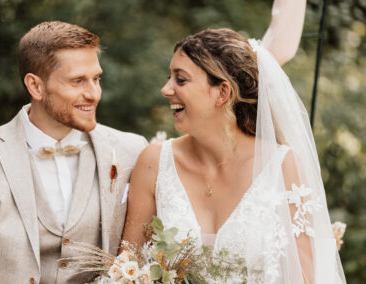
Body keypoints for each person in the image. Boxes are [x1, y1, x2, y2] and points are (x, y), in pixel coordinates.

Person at [122, 1, 346, 283]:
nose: (166, 89)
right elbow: (127, 268)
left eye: (181, 79)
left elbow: (307, 277)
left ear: (222, 93)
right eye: (169, 78)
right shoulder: (154, 162)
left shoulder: (282, 166)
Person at [0, 21, 147, 284]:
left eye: (96, 79)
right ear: (36, 87)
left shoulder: (132, 150)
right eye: (78, 81)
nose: (94, 94)